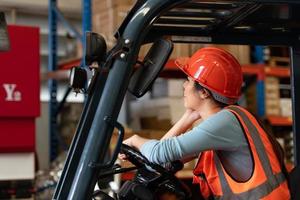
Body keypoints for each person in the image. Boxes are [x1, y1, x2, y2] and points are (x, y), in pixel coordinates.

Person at [120, 47, 290, 199]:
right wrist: (187, 118)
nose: (184, 86)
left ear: (204, 93)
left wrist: (135, 140)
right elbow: (161, 162)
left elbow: (160, 152)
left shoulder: (225, 122)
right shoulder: (223, 122)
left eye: (189, 80)